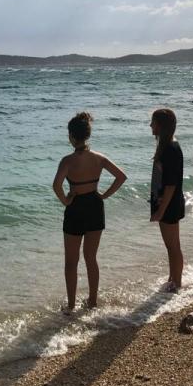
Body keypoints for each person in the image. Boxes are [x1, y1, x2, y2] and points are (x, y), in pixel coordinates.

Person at [53, 112, 127, 313]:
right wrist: (104, 195)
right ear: (87, 135)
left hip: (75, 208)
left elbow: (56, 185)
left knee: (71, 261)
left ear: (71, 136)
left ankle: (71, 305)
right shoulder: (99, 158)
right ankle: (92, 301)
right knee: (91, 258)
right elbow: (121, 176)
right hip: (95, 206)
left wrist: (66, 200)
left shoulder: (67, 161)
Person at [149, 108, 185, 292]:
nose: (150, 125)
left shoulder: (170, 148)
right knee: (171, 245)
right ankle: (173, 278)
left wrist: (161, 210)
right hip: (169, 202)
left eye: (153, 122)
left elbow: (171, 184)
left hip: (169, 203)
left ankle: (176, 283)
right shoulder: (168, 145)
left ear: (161, 126)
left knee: (173, 245)